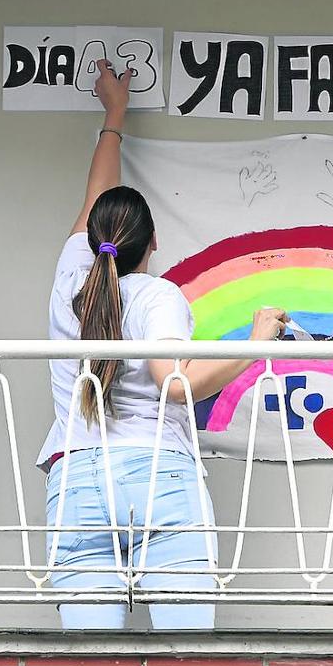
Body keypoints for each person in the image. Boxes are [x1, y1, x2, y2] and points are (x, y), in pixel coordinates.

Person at [39, 59, 287, 630]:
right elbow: (176, 385)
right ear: (154, 242)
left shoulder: (72, 278)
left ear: (96, 239)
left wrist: (114, 116)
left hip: (77, 476)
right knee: (185, 661)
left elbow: (96, 192)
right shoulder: (157, 294)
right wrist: (255, 342)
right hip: (157, 476)